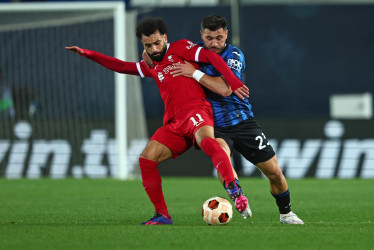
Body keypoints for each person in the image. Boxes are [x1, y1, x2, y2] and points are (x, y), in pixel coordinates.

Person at [66, 17, 252, 225]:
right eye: (148, 45)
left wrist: (234, 82)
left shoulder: (182, 47)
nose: (154, 49)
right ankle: (162, 215)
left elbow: (214, 58)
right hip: (173, 123)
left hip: (196, 110)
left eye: (157, 43)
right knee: (146, 159)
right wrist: (87, 54)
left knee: (208, 141)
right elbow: (120, 66)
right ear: (143, 45)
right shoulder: (151, 64)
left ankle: (233, 187)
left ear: (165, 37)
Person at [169, 15, 304, 224]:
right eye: (209, 38)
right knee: (221, 156)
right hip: (213, 123)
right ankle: (237, 194)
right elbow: (160, 52)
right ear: (201, 35)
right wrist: (147, 54)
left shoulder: (234, 55)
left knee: (275, 172)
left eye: (219, 38)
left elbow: (224, 89)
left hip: (242, 121)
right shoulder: (193, 53)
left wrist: (194, 74)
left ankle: (286, 213)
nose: (214, 43)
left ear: (226, 35)